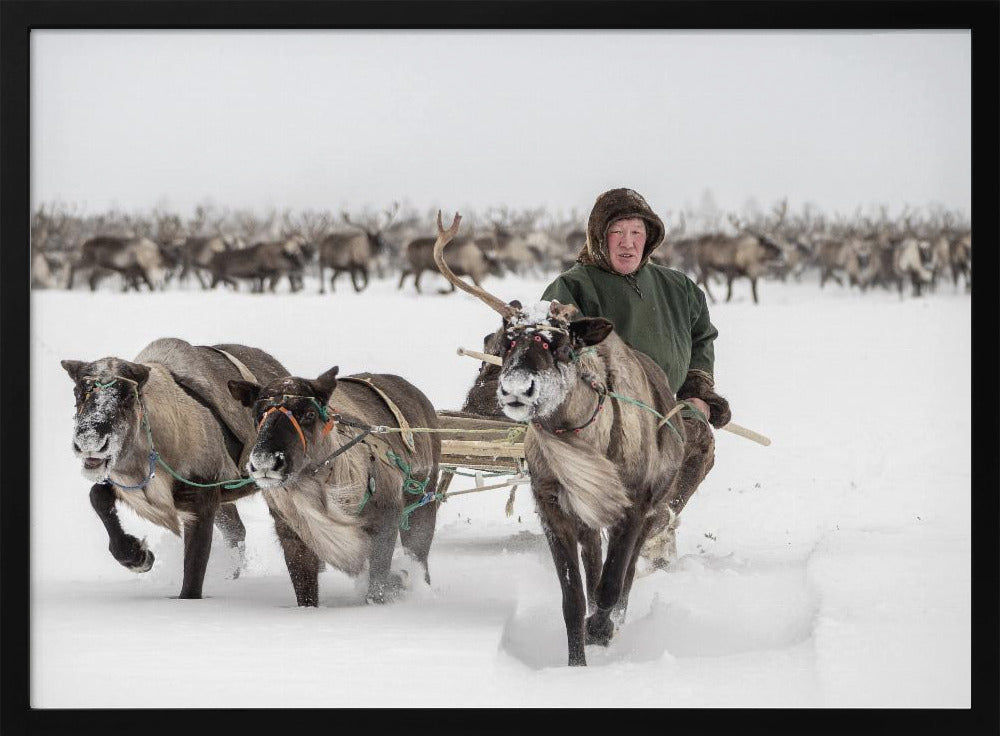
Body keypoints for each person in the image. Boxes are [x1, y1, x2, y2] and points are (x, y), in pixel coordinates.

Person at [541, 187, 731, 567]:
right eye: (617, 233)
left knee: (696, 439)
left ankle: (656, 522)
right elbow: (558, 344)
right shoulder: (575, 286)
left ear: (650, 238)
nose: (628, 244)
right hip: (602, 411)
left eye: (636, 233)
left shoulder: (679, 288)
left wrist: (697, 390)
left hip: (666, 405)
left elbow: (701, 337)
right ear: (599, 237)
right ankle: (623, 527)